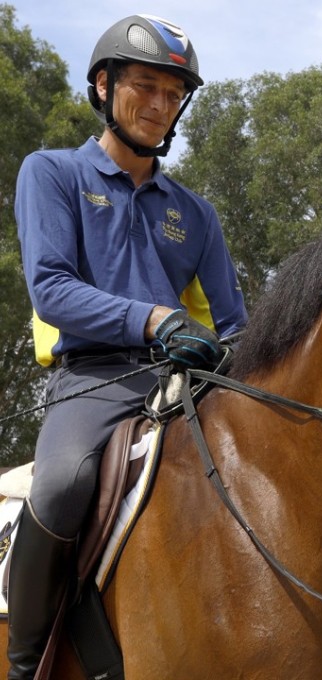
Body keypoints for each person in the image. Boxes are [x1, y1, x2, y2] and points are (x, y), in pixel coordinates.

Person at [9, 15, 248, 678]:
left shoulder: (195, 213)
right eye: (145, 86)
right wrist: (154, 321)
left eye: (173, 95)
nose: (160, 105)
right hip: (94, 385)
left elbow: (233, 323)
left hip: (186, 385)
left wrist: (233, 355)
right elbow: (52, 289)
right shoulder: (50, 174)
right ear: (103, 86)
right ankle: (26, 662)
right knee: (60, 485)